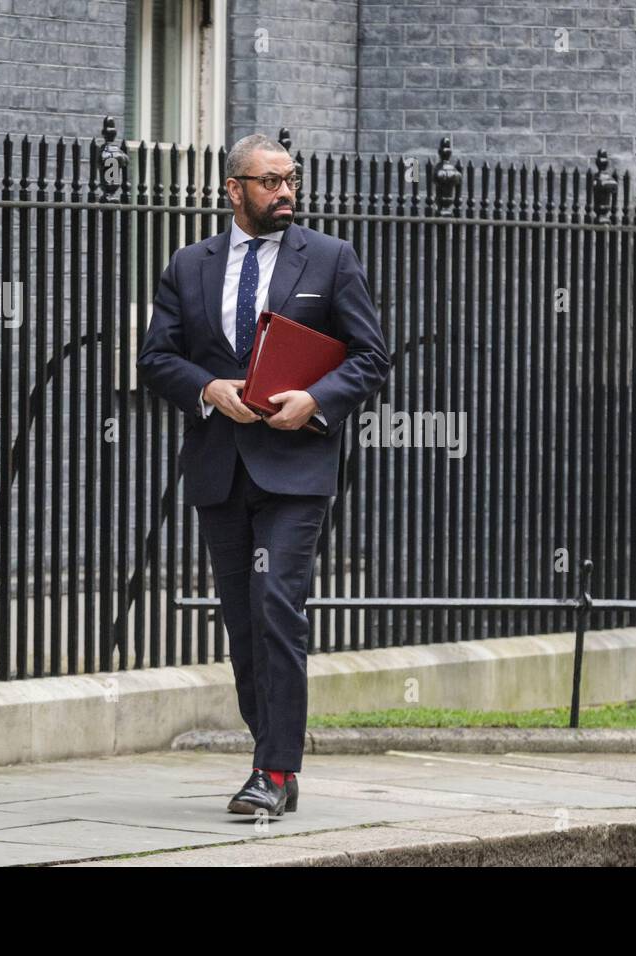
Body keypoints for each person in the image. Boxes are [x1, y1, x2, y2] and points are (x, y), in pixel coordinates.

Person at [137, 133, 391, 817]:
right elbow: (156, 359)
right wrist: (208, 388)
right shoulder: (189, 266)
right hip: (221, 468)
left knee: (278, 602)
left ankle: (273, 771)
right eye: (270, 181)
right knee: (244, 623)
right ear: (234, 190)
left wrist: (317, 401)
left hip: (296, 467)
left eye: (291, 180)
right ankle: (273, 753)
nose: (285, 193)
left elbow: (370, 357)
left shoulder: (331, 260)